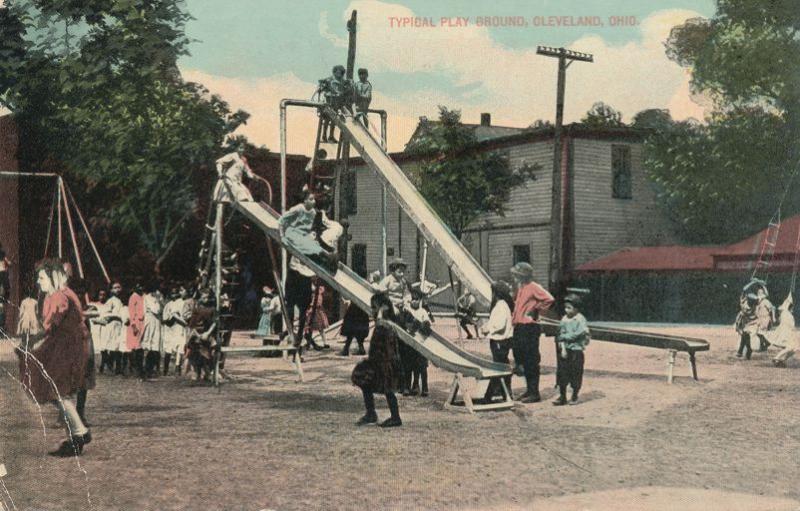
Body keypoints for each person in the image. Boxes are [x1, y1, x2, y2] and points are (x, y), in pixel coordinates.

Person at [17, 259, 91, 456]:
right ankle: (76, 434)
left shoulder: (59, 296)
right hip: (63, 345)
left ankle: (79, 433)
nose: (38, 282)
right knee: (56, 391)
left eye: (41, 278)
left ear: (52, 277)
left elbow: (50, 326)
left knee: (57, 390)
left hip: (67, 347)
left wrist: (30, 342)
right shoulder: (56, 295)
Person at [351, 292, 403, 428]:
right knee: (366, 382)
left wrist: (380, 311)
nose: (372, 311)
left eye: (375, 307)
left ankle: (395, 417)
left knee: (388, 389)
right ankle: (371, 413)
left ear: (383, 308)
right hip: (378, 360)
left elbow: (386, 344)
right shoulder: (385, 323)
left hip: (384, 362)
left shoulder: (385, 324)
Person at [510, 262, 554, 403]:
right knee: (519, 356)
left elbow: (549, 299)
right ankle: (529, 390)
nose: (515, 277)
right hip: (519, 326)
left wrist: (536, 309)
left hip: (529, 327)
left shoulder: (534, 287)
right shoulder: (521, 287)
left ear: (523, 276)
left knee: (531, 360)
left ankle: (534, 393)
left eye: (517, 275)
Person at [279, 188, 339, 272]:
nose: (314, 201)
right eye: (311, 199)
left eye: (314, 199)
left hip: (303, 234)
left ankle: (327, 260)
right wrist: (282, 235)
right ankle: (327, 257)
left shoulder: (312, 213)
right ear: (305, 201)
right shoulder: (298, 208)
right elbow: (282, 220)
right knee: (307, 245)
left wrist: (311, 234)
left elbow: (308, 228)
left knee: (314, 244)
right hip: (292, 233)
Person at [553, 294, 590, 406]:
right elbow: (561, 334)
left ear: (576, 308)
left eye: (569, 308)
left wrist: (566, 337)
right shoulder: (564, 319)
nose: (566, 310)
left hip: (576, 351)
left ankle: (574, 395)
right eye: (566, 307)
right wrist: (563, 348)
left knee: (576, 373)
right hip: (565, 350)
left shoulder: (580, 319)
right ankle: (562, 396)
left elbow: (579, 333)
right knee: (562, 373)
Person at [481, 281, 514, 402]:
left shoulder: (500, 305)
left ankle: (489, 395)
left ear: (496, 293)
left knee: (497, 368)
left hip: (499, 341)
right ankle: (505, 393)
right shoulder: (503, 305)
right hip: (501, 340)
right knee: (503, 366)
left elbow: (499, 325)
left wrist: (487, 328)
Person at [317, 65, 350, 142]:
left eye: (340, 72)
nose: (338, 74)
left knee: (334, 120)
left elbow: (345, 87)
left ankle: (331, 136)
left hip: (337, 102)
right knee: (327, 119)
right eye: (337, 72)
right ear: (334, 72)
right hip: (330, 101)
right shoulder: (330, 79)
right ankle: (324, 135)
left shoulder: (342, 80)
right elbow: (321, 83)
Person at [162, 286, 189, 376]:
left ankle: (177, 368)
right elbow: (168, 317)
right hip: (171, 329)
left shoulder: (183, 302)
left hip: (180, 328)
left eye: (176, 293)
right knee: (169, 348)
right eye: (172, 293)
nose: (174, 295)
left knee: (180, 348)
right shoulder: (169, 304)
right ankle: (165, 369)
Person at [102, 282, 127, 375]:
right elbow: (106, 314)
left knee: (119, 346)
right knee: (114, 346)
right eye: (115, 288)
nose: (117, 289)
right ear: (111, 290)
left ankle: (118, 368)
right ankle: (111, 365)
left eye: (119, 287)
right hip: (113, 324)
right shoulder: (110, 301)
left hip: (120, 325)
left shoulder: (120, 301)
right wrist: (116, 315)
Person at [141, 282, 163, 379]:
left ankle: (151, 369)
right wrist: (158, 301)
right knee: (148, 344)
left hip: (156, 321)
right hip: (150, 321)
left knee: (155, 345)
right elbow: (157, 310)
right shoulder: (148, 297)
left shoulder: (157, 297)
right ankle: (145, 369)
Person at [770, 295, 799, 366]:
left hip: (789, 333)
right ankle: (776, 358)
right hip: (786, 334)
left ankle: (782, 359)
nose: (793, 310)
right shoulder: (786, 314)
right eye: (792, 308)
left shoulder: (785, 314)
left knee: (794, 349)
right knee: (790, 348)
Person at [304, 279, 331, 350]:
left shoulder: (318, 294)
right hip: (313, 311)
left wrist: (311, 308)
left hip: (316, 312)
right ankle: (309, 343)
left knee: (320, 328)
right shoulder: (313, 294)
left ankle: (324, 343)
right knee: (310, 328)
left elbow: (317, 304)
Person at [127, 282, 145, 377]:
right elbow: (131, 312)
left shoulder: (143, 296)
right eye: (138, 286)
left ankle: (140, 368)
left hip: (143, 323)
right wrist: (133, 325)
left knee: (141, 347)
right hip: (136, 323)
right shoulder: (133, 297)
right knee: (136, 347)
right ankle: (137, 369)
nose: (140, 288)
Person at [735, 292, 758, 360]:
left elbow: (743, 292)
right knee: (745, 335)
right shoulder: (749, 306)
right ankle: (745, 350)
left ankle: (741, 350)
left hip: (750, 323)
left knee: (745, 334)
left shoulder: (747, 306)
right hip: (745, 322)